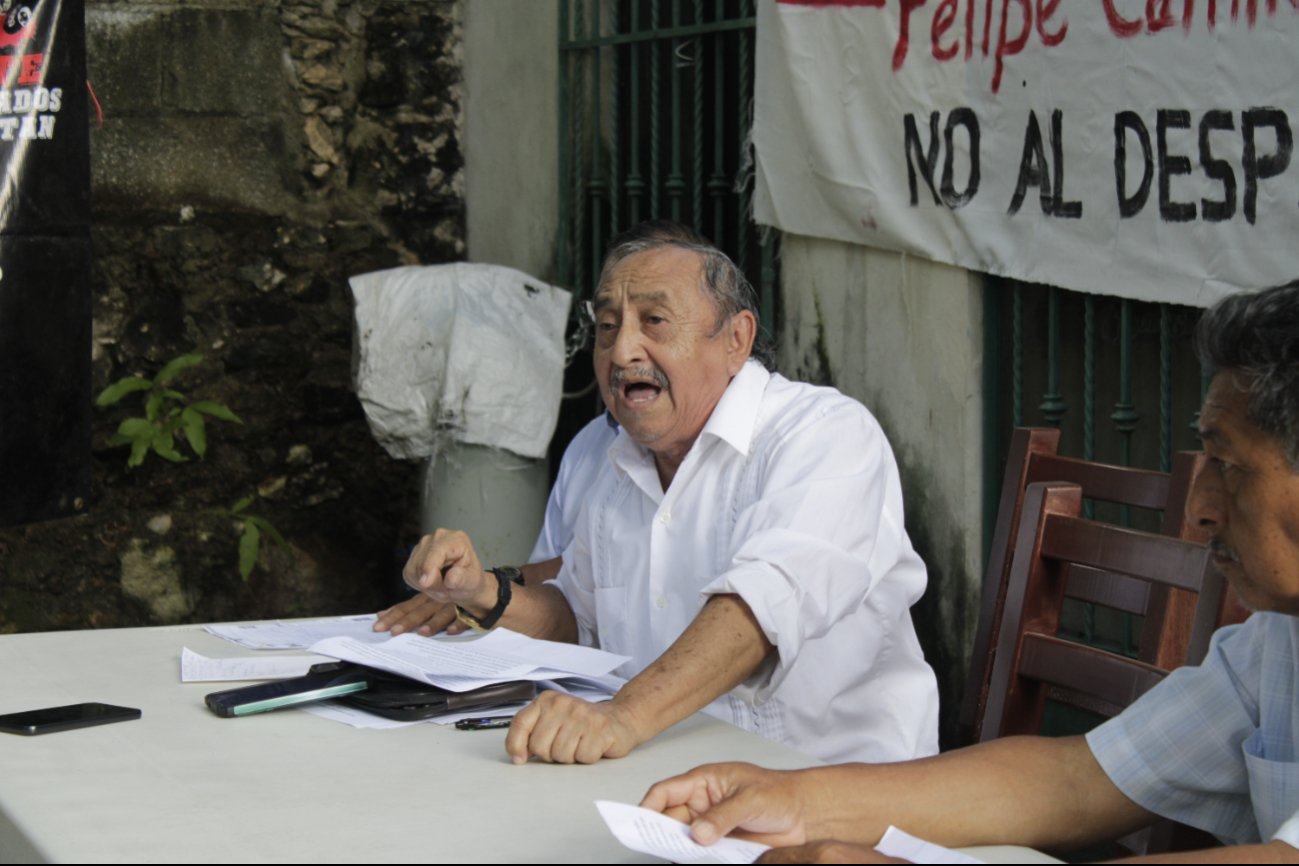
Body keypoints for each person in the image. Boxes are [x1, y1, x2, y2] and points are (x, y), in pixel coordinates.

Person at [639, 282, 1299, 863]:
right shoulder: (1275, 644)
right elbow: (1080, 780)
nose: (1199, 508)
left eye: (1230, 467)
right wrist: (794, 798)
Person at [401, 222, 939, 766]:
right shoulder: (619, 466)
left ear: (736, 340)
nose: (622, 348)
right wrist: (482, 593)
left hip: (836, 789)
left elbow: (760, 610)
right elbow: (575, 616)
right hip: (670, 786)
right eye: (607, 326)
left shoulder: (823, 434)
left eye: (654, 321)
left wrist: (621, 717)